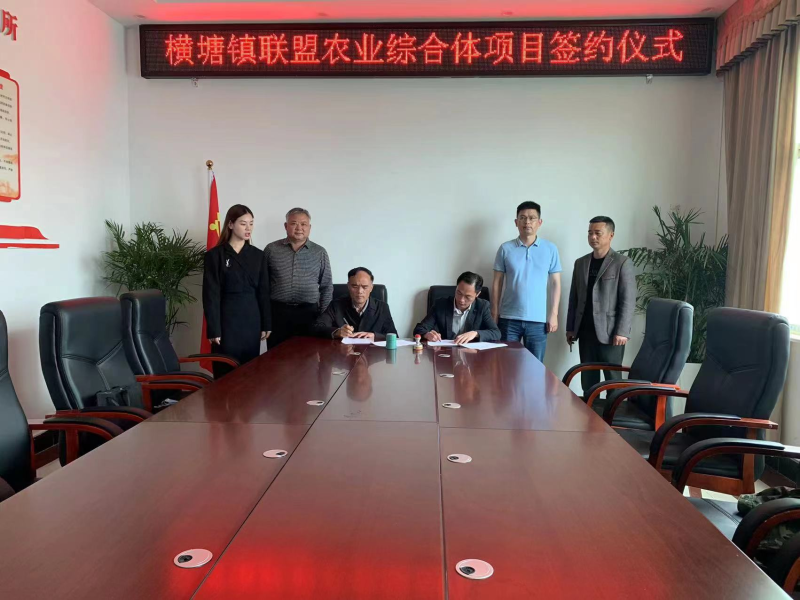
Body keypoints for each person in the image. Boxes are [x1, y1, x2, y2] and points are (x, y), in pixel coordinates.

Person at [566, 216, 636, 396]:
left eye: (598, 233)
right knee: (588, 379)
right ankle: (589, 410)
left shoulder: (622, 263)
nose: (593, 237)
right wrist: (570, 327)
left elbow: (628, 300)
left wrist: (622, 331)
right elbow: (574, 298)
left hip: (611, 332)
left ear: (611, 235)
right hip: (585, 331)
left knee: (612, 380)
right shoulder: (580, 263)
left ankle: (612, 411)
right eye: (590, 233)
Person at [203, 204, 271, 378]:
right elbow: (211, 294)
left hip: (251, 319)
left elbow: (263, 292)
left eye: (251, 223)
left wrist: (266, 324)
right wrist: (214, 328)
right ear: (231, 224)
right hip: (226, 319)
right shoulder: (215, 255)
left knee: (249, 371)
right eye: (243, 223)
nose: (248, 228)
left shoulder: (258, 255)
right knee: (225, 369)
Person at [491, 201, 562, 362]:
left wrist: (554, 314)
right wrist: (494, 313)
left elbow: (555, 283)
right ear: (516, 222)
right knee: (506, 365)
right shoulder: (505, 248)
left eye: (532, 218)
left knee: (535, 367)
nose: (527, 222)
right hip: (508, 318)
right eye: (522, 218)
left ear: (539, 222)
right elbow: (497, 282)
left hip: (538, 321)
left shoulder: (550, 249)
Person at [265, 208, 333, 349]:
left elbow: (326, 286)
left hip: (309, 314)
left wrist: (323, 317)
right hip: (277, 314)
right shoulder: (271, 249)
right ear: (286, 226)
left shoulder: (320, 252)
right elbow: (263, 284)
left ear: (309, 227)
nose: (299, 228)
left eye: (303, 224)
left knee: (307, 357)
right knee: (276, 357)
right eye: (294, 223)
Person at [413, 271, 501, 344]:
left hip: (470, 355)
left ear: (477, 294)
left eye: (467, 297)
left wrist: (475, 333)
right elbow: (419, 329)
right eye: (459, 293)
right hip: (445, 353)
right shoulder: (441, 305)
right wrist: (427, 334)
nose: (461, 300)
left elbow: (496, 333)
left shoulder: (482, 306)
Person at [312, 267, 397, 341]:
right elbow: (317, 328)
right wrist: (337, 332)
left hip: (371, 353)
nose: (360, 291)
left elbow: (394, 336)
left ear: (371, 288)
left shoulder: (382, 307)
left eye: (365, 287)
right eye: (355, 286)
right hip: (342, 352)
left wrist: (375, 336)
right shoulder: (336, 305)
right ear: (348, 286)